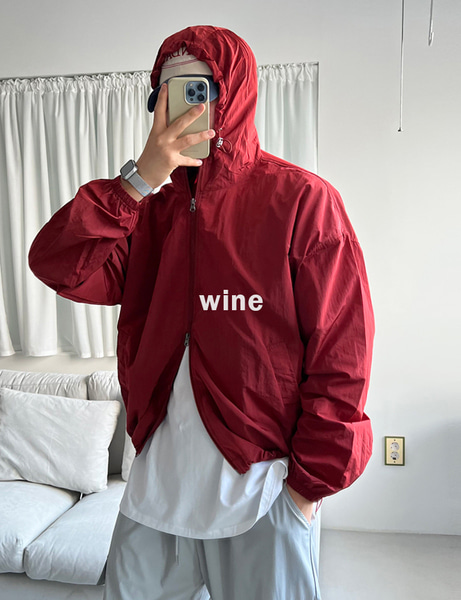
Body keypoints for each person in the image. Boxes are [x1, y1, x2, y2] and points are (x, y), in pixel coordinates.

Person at [28, 25, 375, 600]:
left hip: (261, 486)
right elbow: (57, 265)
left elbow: (343, 352)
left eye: (199, 87)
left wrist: (307, 487)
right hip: (156, 488)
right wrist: (137, 182)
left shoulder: (302, 201)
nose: (184, 104)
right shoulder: (145, 211)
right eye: (169, 90)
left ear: (232, 94)